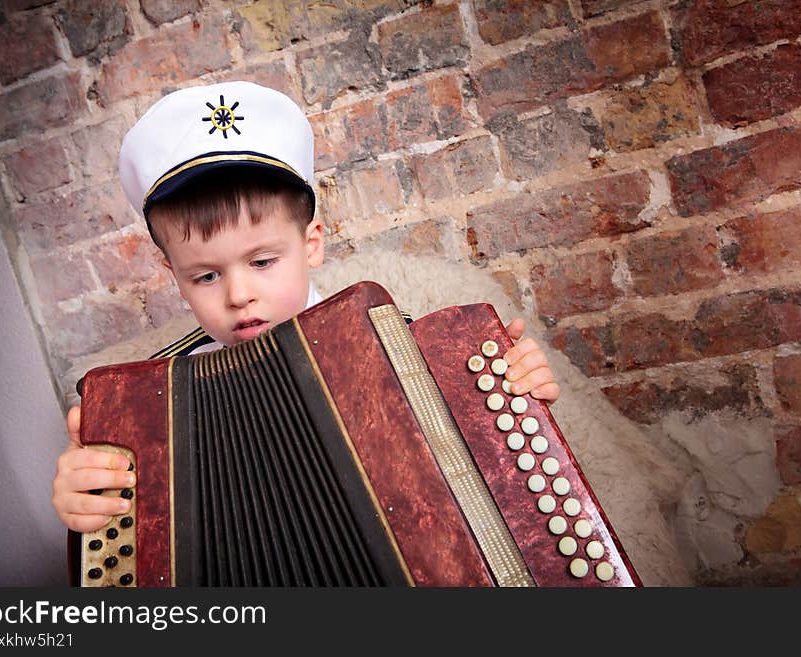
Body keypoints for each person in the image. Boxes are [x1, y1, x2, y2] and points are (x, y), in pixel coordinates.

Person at [51, 80, 561, 534]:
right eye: (205, 275)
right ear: (175, 279)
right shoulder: (153, 409)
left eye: (263, 261)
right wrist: (91, 499)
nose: (238, 295)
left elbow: (491, 476)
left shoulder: (409, 351)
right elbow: (129, 524)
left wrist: (514, 397)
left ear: (311, 243)